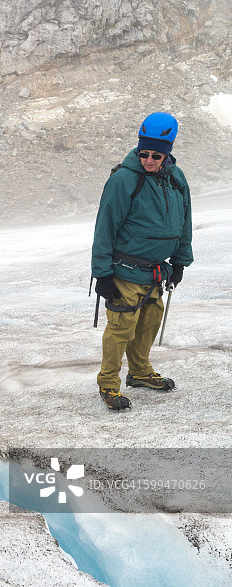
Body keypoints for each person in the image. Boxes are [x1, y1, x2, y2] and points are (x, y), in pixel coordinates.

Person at [91, 112, 193, 410]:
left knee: (149, 322)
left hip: (156, 272)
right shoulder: (124, 180)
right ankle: (109, 384)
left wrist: (180, 262)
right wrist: (102, 274)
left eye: (156, 156)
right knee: (121, 329)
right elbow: (105, 227)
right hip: (125, 271)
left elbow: (184, 220)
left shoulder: (176, 177)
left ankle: (139, 372)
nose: (149, 160)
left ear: (167, 154)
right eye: (143, 153)